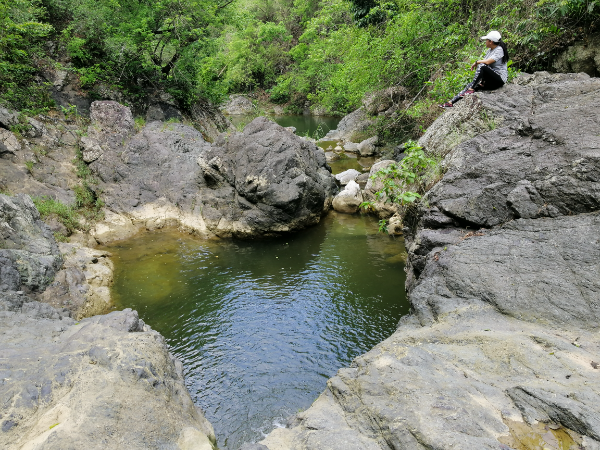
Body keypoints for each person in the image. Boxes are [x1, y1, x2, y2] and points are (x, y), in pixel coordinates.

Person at [440, 31, 509, 108]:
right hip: (491, 80)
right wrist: (483, 81)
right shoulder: (489, 51)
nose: (485, 42)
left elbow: (487, 62)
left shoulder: (499, 49)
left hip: (499, 79)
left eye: (486, 40)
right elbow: (486, 70)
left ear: (491, 41)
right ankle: (451, 102)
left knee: (481, 66)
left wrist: (477, 62)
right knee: (471, 84)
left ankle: (471, 89)